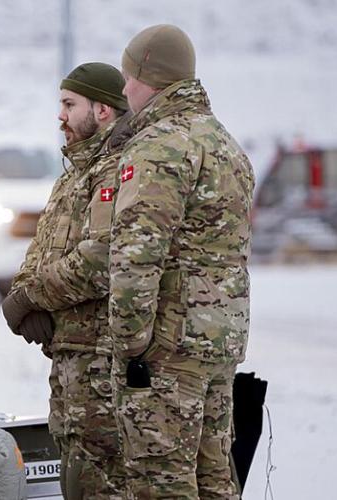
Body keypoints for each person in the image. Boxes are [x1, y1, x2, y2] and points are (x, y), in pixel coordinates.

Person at [109, 24, 254, 498]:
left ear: (149, 75)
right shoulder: (226, 144)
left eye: (128, 75)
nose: (124, 88)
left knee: (160, 480)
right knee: (215, 479)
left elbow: (136, 257)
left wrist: (130, 344)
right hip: (219, 341)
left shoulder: (161, 146)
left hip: (168, 349)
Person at [2, 62, 133, 499]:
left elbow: (101, 259)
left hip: (102, 359)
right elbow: (43, 247)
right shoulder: (74, 173)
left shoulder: (119, 171)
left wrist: (30, 298)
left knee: (97, 482)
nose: (60, 116)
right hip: (70, 357)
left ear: (102, 110)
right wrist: (26, 297)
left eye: (68, 104)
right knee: (73, 474)